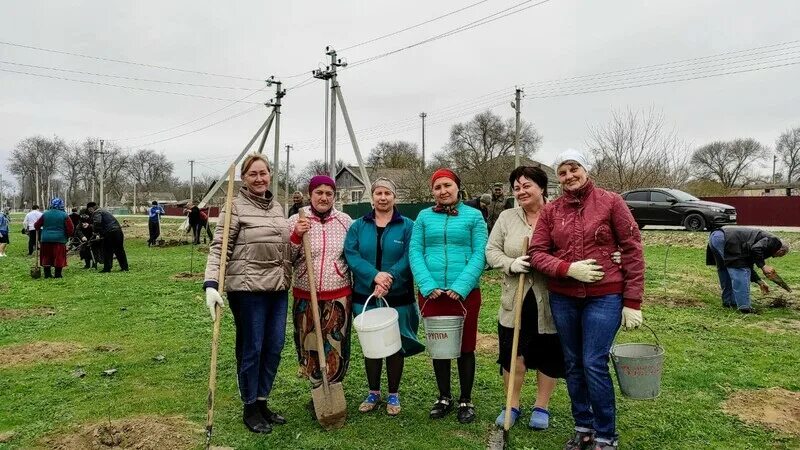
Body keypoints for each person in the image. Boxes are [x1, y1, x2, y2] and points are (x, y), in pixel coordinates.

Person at [529, 149, 645, 450]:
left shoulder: (611, 202)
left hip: (604, 295)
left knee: (593, 361)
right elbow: (537, 253)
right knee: (573, 363)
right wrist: (567, 269)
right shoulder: (552, 211)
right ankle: (584, 427)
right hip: (565, 297)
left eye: (573, 169)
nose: (569, 176)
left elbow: (632, 248)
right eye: (563, 172)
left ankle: (606, 434)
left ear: (585, 169)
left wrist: (632, 302)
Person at [203, 154, 291, 434]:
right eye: (253, 174)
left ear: (270, 175)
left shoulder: (277, 207)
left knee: (274, 346)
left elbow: (284, 248)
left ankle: (263, 400)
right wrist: (211, 284)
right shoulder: (235, 207)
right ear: (244, 177)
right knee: (251, 348)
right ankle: (250, 406)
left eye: (263, 173)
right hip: (247, 289)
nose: (259, 178)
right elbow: (220, 248)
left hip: (277, 289)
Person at [409, 168, 488, 424]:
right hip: (432, 294)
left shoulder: (474, 216)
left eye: (447, 186)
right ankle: (443, 397)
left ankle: (466, 399)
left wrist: (461, 285)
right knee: (440, 345)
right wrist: (426, 284)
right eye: (437, 187)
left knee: (465, 347)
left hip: (464, 294)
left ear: (457, 187)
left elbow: (480, 253)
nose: (443, 191)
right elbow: (415, 252)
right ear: (432, 191)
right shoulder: (423, 217)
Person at [344, 177, 424, 417]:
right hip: (365, 295)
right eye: (378, 193)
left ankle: (393, 393)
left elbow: (411, 255)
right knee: (372, 344)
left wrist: (389, 277)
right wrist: (374, 276)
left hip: (398, 295)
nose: (383, 197)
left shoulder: (408, 225)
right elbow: (351, 254)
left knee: (394, 344)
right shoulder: (358, 225)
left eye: (387, 193)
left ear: (394, 197)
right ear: (372, 197)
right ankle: (373, 391)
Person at [288, 175, 354, 416]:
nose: (324, 197)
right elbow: (288, 256)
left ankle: (334, 386)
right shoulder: (297, 219)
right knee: (310, 343)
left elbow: (352, 254)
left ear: (334, 196)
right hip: (306, 293)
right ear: (310, 195)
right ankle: (317, 387)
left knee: (336, 343)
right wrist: (296, 235)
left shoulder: (345, 221)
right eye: (319, 193)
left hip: (338, 292)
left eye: (329, 193)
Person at [706, 226, 789, 313]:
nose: (775, 257)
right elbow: (756, 249)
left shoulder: (761, 242)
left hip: (716, 237)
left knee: (725, 270)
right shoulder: (776, 242)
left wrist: (759, 281)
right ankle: (744, 307)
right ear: (781, 250)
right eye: (781, 255)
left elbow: (747, 263)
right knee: (741, 271)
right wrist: (763, 266)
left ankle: (729, 302)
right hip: (728, 239)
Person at [34, 198, 74, 278]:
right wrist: (68, 236)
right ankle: (58, 274)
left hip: (46, 239)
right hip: (59, 239)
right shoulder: (64, 215)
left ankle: (47, 274)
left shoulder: (45, 214)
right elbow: (70, 228)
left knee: (46, 256)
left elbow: (36, 225)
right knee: (59, 257)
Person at [87, 202, 129, 272]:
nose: (89, 211)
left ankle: (107, 268)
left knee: (107, 250)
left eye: (89, 210)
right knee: (120, 250)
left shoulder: (97, 212)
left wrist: (95, 232)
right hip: (118, 231)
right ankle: (124, 267)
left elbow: (97, 223)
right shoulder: (104, 211)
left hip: (110, 232)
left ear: (91, 208)